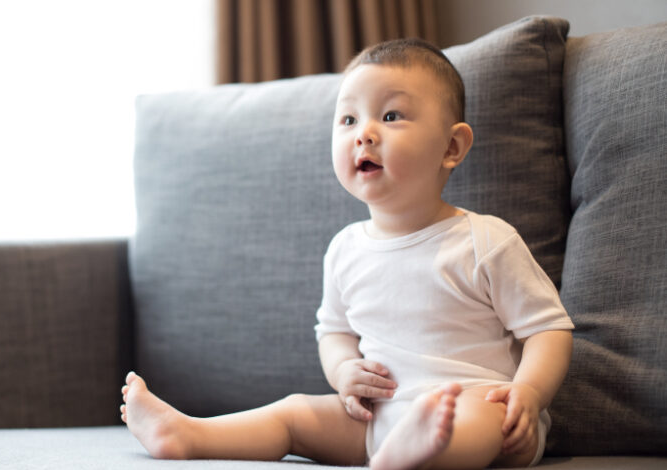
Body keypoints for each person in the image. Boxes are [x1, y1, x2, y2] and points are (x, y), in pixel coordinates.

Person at [120, 38, 575, 470]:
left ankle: (421, 452)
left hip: (483, 408)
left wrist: (528, 394)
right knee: (295, 413)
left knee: (476, 418)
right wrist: (343, 373)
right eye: (349, 120)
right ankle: (186, 435)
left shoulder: (485, 240)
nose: (365, 134)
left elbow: (548, 330)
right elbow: (333, 333)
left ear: (451, 146)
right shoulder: (345, 249)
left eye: (392, 115)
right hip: (376, 419)